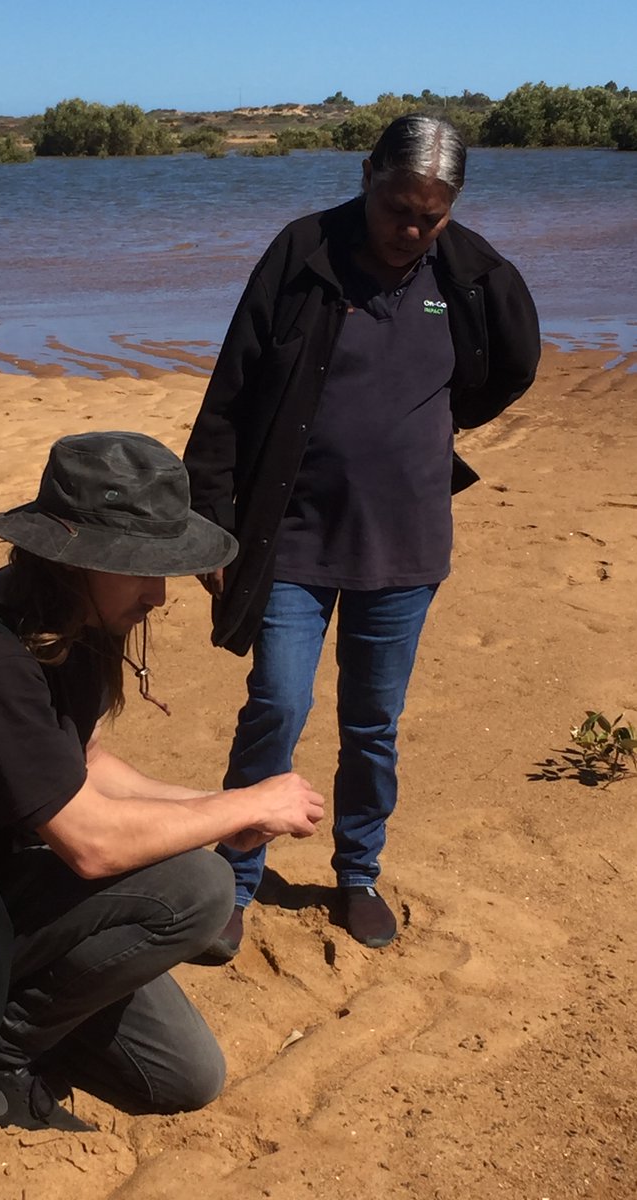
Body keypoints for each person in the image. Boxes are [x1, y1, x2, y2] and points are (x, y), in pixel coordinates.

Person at [0, 430, 325, 1133]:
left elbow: (88, 764)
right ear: (75, 561)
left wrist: (215, 806)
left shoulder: (66, 621)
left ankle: (21, 998)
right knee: (198, 888)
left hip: (14, 881)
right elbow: (89, 844)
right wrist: (237, 808)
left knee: (185, 1076)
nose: (159, 595)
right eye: (140, 568)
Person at [183, 114, 540, 961]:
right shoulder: (303, 252)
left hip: (405, 543)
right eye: (398, 208)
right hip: (290, 540)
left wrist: (427, 430)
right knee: (278, 703)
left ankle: (358, 874)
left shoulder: (468, 273)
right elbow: (231, 390)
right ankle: (236, 879)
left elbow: (513, 364)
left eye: (432, 214)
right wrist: (213, 524)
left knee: (373, 722)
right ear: (367, 173)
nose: (411, 229)